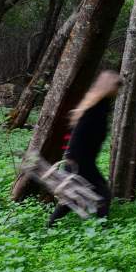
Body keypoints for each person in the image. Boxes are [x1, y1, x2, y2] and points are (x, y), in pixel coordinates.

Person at [48, 70, 122, 227]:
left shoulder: (97, 105)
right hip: (81, 161)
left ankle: (50, 226)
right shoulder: (96, 109)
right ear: (109, 87)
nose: (118, 91)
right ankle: (103, 229)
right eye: (117, 87)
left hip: (79, 160)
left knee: (71, 198)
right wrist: (75, 162)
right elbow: (78, 137)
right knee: (103, 195)